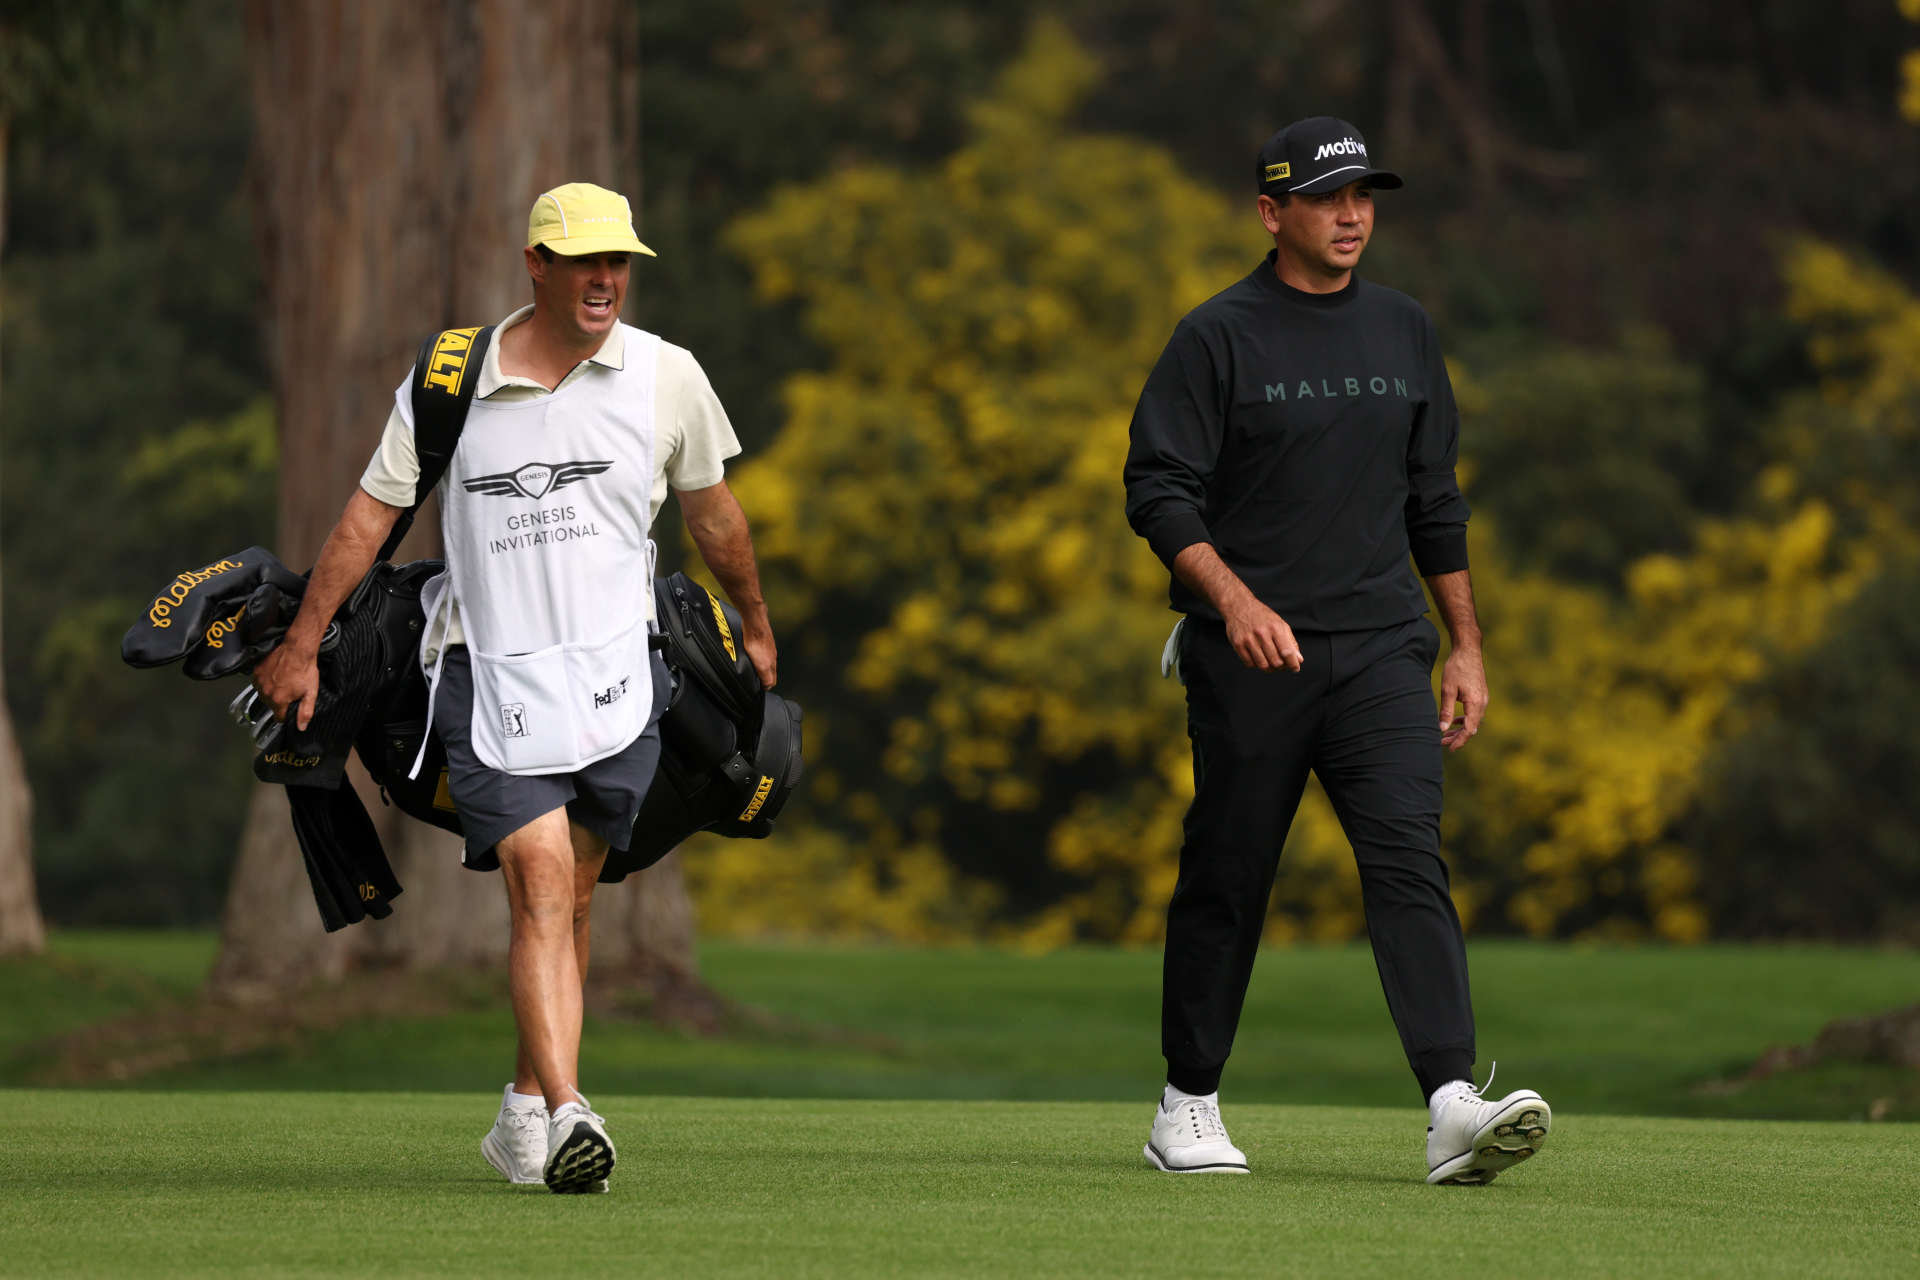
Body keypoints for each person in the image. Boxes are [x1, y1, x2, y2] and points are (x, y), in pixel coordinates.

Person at [253, 182, 776, 1194]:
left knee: (572, 898)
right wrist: (305, 643)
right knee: (539, 879)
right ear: (536, 265)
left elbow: (717, 517)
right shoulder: (450, 381)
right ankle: (575, 1109)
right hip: (486, 676)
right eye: (585, 263)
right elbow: (369, 519)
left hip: (622, 680)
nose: (606, 280)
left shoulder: (668, 376)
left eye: (619, 262)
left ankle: (522, 1109)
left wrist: (754, 622)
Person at [1123, 118, 1549, 1185]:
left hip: (1382, 651)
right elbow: (1157, 488)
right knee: (1230, 870)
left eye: (1363, 194)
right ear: (1273, 214)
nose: (1352, 213)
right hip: (1250, 658)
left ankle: (1453, 1102)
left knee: (1409, 855)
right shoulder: (1217, 336)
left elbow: (1433, 499)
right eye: (1326, 196)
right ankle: (1188, 1103)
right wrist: (1232, 599)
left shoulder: (1404, 329)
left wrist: (1465, 642)